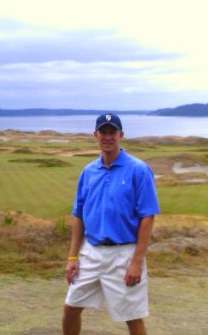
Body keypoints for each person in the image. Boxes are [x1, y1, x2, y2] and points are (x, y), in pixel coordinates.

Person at [62, 113, 160, 335]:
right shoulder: (88, 172)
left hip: (124, 254)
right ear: (95, 135)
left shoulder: (138, 169)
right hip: (92, 251)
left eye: (112, 132)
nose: (108, 137)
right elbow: (78, 216)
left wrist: (137, 261)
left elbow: (147, 217)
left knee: (132, 318)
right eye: (103, 132)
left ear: (121, 135)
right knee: (70, 309)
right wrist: (72, 257)